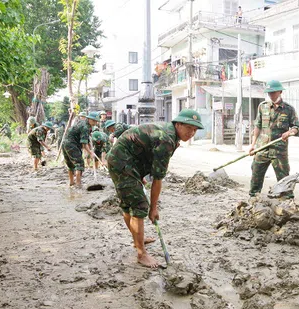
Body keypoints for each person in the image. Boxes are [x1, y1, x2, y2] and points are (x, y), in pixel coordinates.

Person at [107, 109, 204, 268]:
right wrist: (153, 208)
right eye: (188, 128)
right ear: (178, 124)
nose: (192, 132)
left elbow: (147, 152)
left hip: (127, 161)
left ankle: (138, 238)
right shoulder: (166, 139)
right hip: (123, 162)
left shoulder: (170, 134)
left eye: (195, 129)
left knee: (128, 204)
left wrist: (139, 174)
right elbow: (158, 179)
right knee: (140, 206)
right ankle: (141, 254)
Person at [249, 80, 299, 198]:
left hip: (279, 151)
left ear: (280, 92)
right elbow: (257, 126)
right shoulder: (263, 107)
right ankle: (253, 201)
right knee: (255, 177)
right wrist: (252, 145)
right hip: (262, 148)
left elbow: (296, 127)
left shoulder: (289, 109)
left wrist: (289, 132)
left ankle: (287, 204)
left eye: (273, 92)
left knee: (284, 180)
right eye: (269, 93)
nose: (271, 95)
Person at [62, 111, 101, 187]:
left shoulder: (83, 123)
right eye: (93, 121)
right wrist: (90, 153)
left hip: (65, 143)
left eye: (96, 121)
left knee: (70, 165)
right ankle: (78, 184)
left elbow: (86, 139)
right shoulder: (85, 127)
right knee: (79, 164)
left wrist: (90, 148)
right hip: (72, 144)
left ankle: (71, 182)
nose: (94, 123)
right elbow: (84, 144)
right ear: (88, 119)